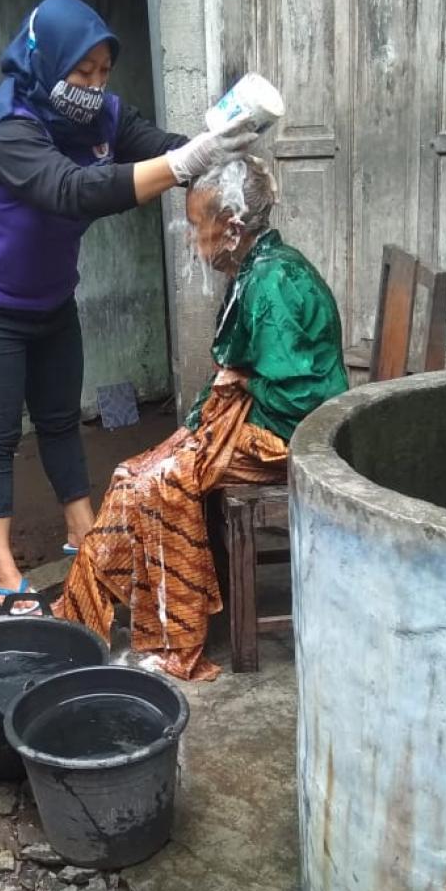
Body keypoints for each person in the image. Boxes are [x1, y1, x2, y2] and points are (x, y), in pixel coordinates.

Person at [0, 0, 257, 613]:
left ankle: (81, 529)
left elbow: (159, 146)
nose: (95, 86)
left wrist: (218, 150)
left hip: (51, 293)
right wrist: (181, 162)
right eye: (82, 73)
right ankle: (3, 565)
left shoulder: (102, 116)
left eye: (104, 72)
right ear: (44, 60)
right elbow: (72, 190)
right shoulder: (4, 129)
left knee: (60, 418)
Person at [54, 155, 349, 680]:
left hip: (293, 435)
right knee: (132, 473)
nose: (193, 241)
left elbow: (294, 397)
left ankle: (177, 640)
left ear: (232, 228)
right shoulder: (256, 269)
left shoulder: (272, 283)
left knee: (162, 483)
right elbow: (245, 373)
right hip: (265, 417)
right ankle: (79, 617)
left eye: (197, 228)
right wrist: (213, 409)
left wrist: (232, 392)